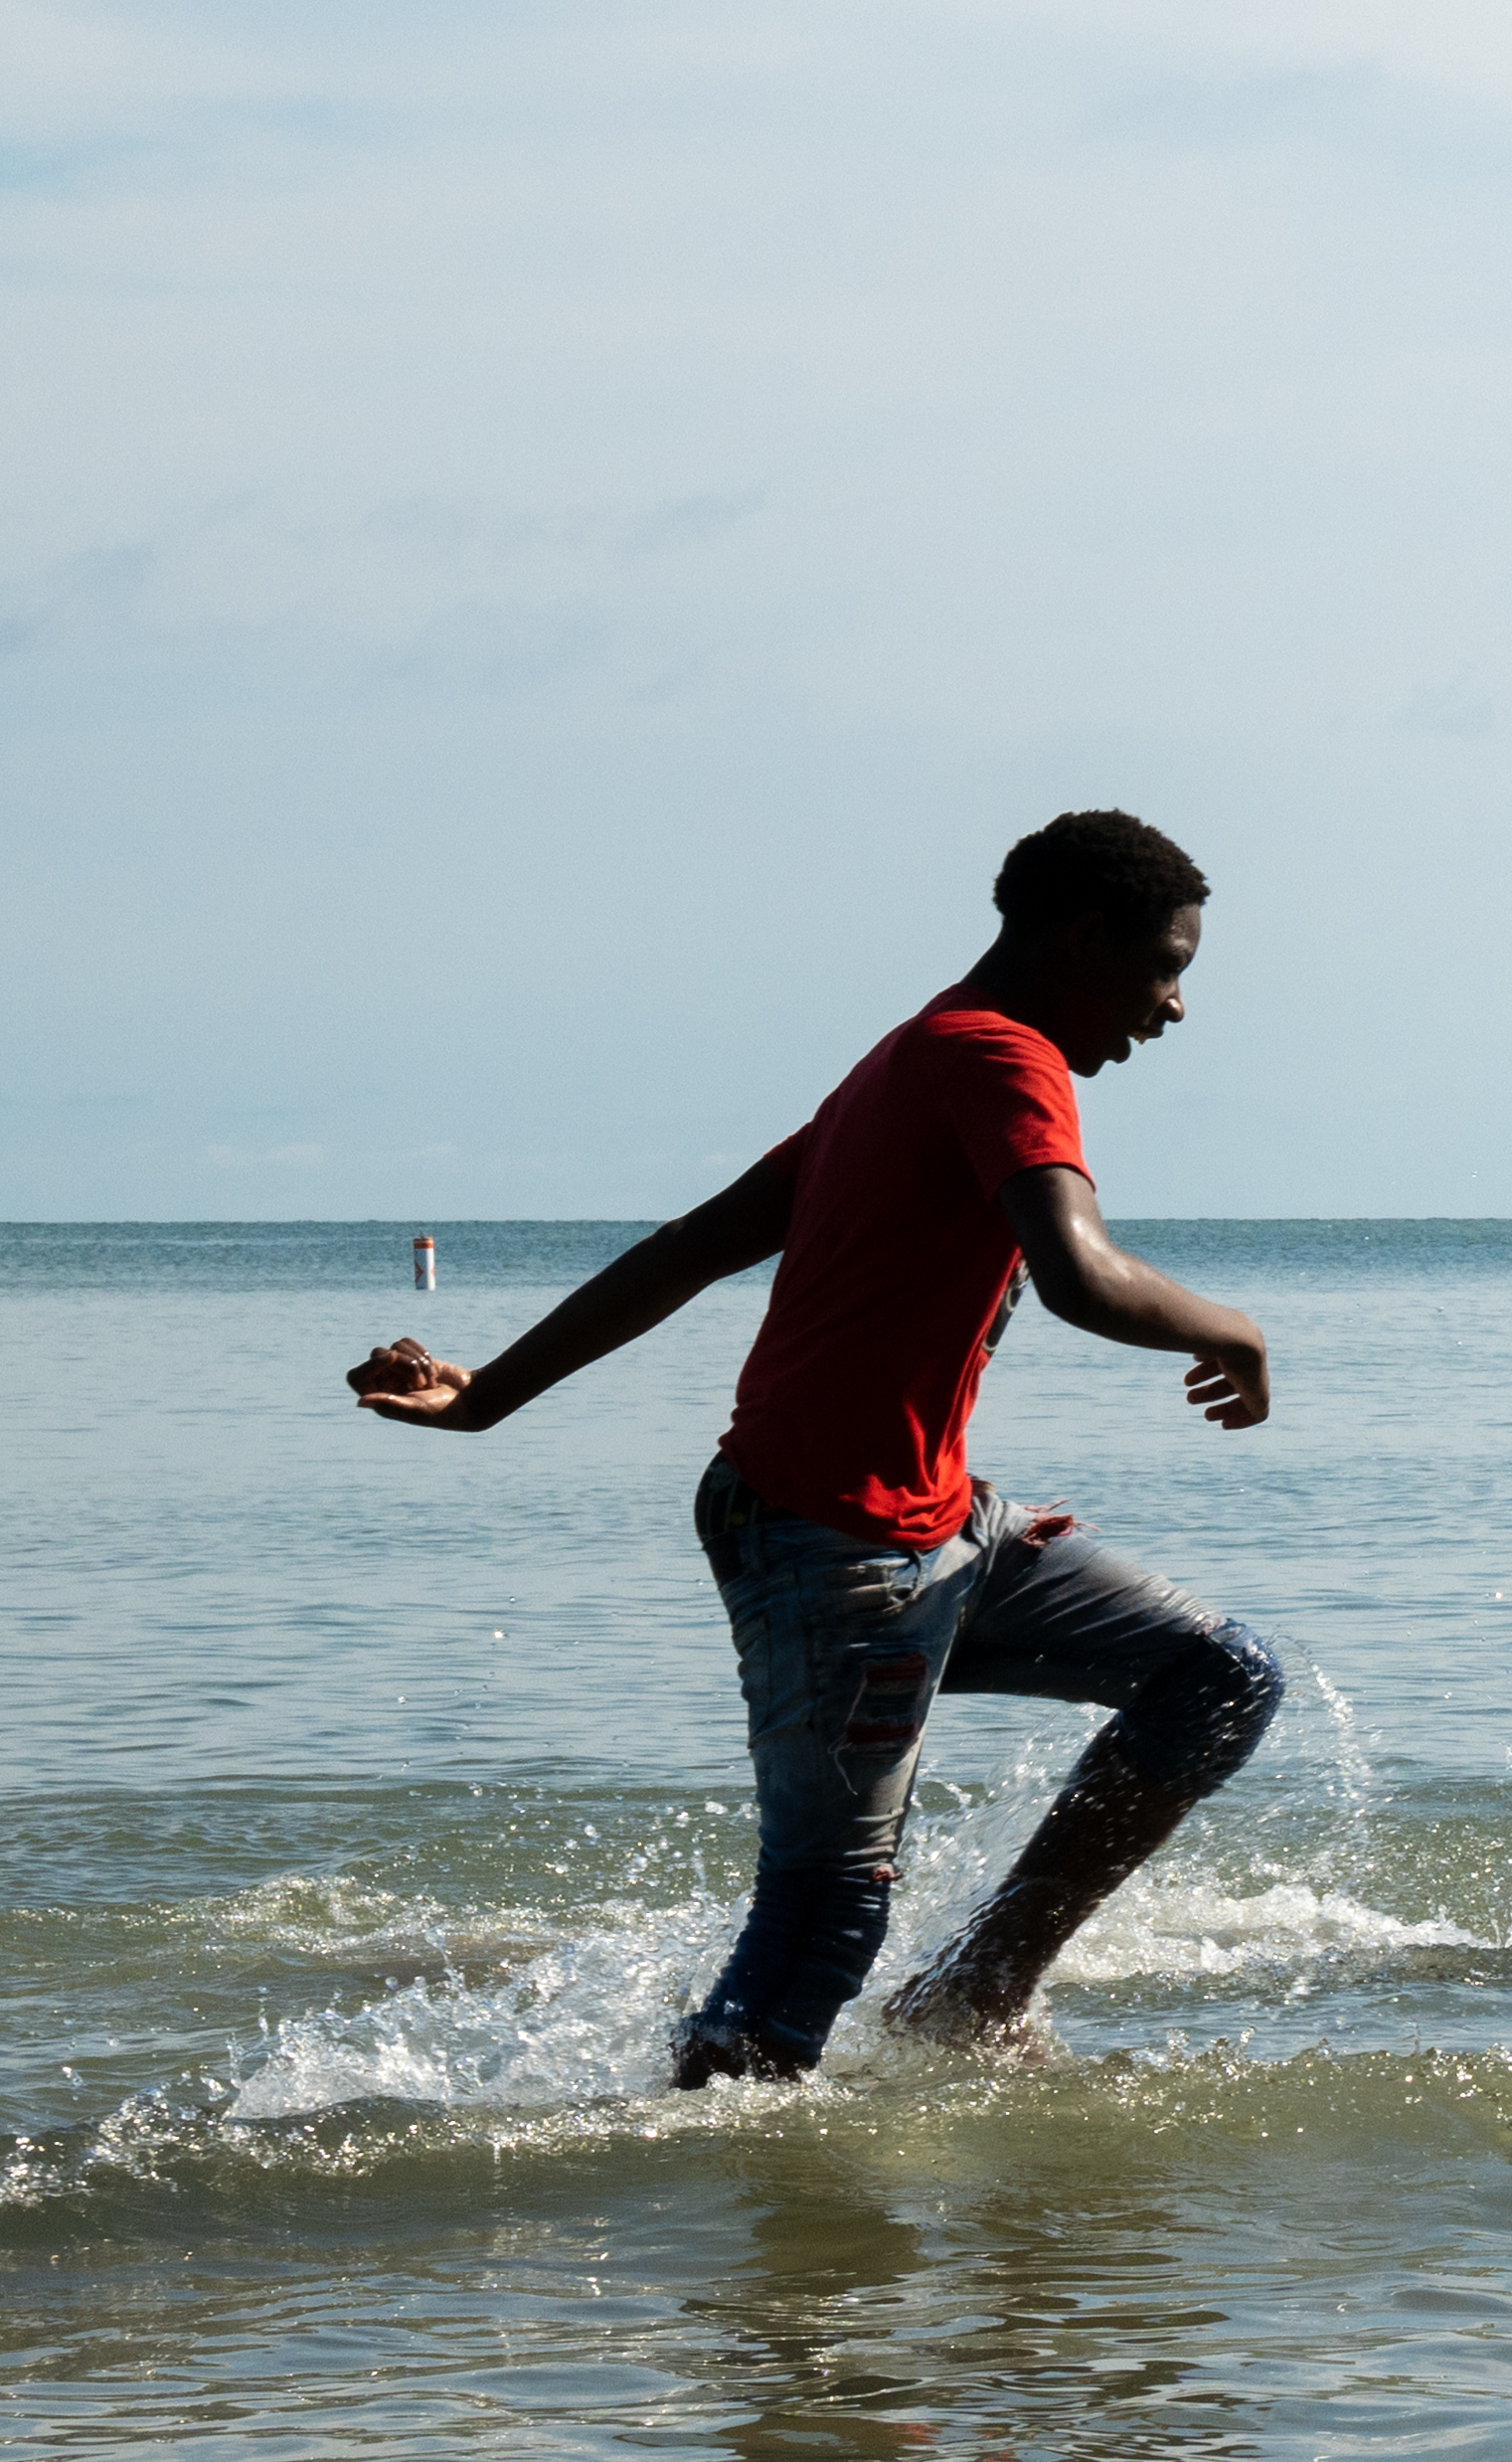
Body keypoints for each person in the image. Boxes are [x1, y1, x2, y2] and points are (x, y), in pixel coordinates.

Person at [345, 811, 1288, 2085]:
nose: (1173, 1007)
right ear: (1085, 937)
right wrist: (1237, 1333)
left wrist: (491, 1397)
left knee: (1219, 1678)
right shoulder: (995, 1057)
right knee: (827, 1909)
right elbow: (1079, 1274)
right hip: (830, 1541)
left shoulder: (914, 1058)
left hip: (936, 1528)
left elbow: (690, 1247)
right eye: (1166, 967)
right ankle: (709, 2178)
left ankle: (976, 1993)